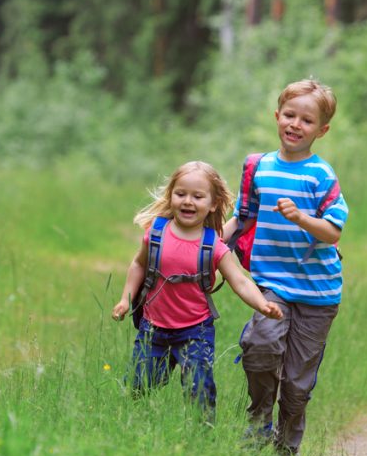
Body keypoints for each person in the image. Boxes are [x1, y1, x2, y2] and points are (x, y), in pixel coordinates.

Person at [222, 79, 349, 456]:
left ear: (321, 130)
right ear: (277, 117)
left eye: (306, 120)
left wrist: (302, 218)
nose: (295, 124)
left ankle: (285, 449)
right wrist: (209, 247)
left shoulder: (321, 176)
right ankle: (259, 420)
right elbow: (242, 217)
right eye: (289, 115)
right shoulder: (258, 167)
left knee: (297, 381)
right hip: (271, 284)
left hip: (317, 293)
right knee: (260, 345)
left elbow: (333, 231)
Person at [112, 161, 283, 417]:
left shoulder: (213, 245)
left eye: (197, 196)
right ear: (171, 197)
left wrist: (262, 304)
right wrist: (126, 300)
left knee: (199, 388)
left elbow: (241, 281)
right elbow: (138, 264)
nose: (188, 201)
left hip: (195, 330)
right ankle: (130, 422)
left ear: (213, 204)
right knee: (140, 384)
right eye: (180, 194)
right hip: (153, 326)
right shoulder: (156, 234)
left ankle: (202, 430)